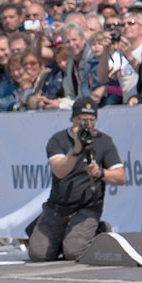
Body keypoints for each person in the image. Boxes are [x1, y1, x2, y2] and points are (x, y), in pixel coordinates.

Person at [28, 98, 127, 261]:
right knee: (38, 255)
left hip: (87, 207)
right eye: (82, 120)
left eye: (91, 120)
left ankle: (99, 230)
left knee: (74, 253)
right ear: (73, 119)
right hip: (58, 207)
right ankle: (57, 238)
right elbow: (59, 171)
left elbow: (121, 177)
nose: (87, 124)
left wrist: (101, 173)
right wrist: (75, 150)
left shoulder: (104, 141)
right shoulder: (58, 140)